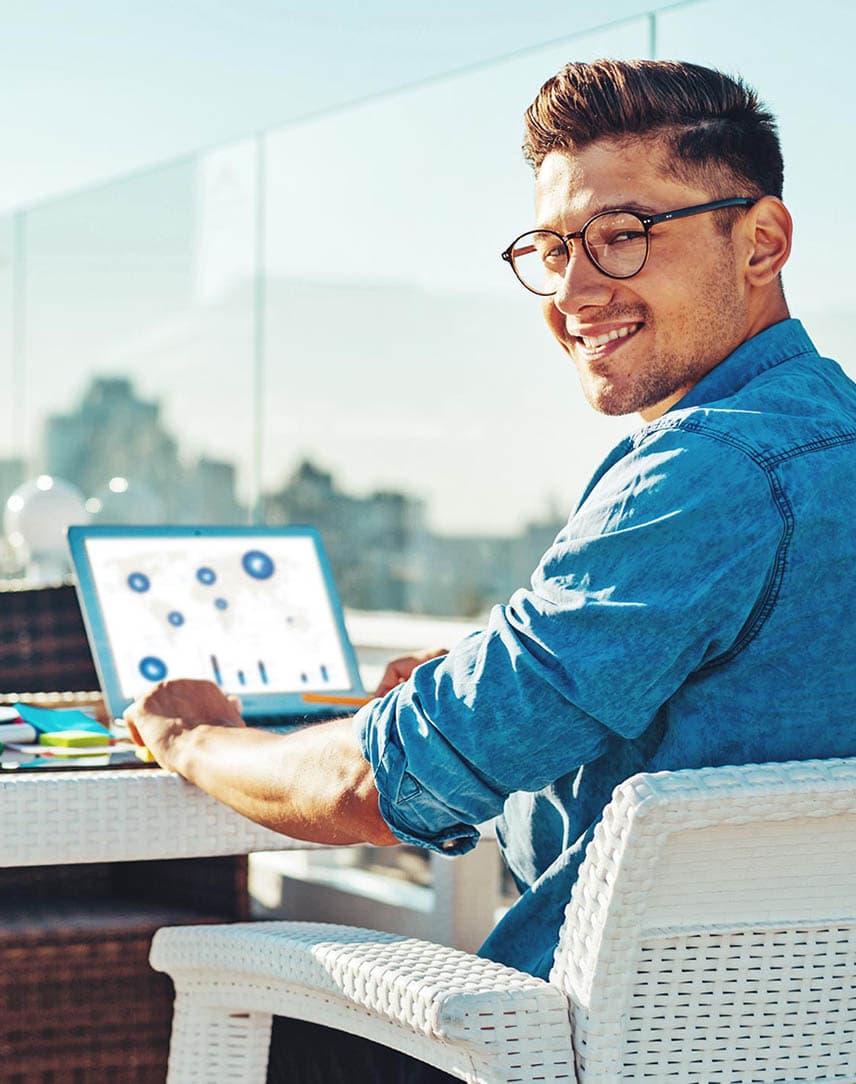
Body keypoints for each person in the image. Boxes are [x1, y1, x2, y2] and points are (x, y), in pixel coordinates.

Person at [126, 59, 856, 1082]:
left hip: (570, 1050)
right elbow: (715, 763)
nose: (570, 293)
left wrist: (191, 735)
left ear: (761, 239)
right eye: (552, 249)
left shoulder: (707, 474)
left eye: (621, 236)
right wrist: (477, 701)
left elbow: (371, 786)